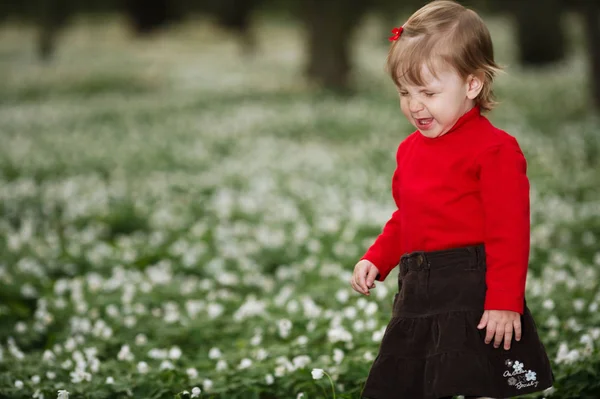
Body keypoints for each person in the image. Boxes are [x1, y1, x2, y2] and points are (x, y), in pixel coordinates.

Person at [349, 1, 555, 398]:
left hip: (470, 293)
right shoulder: (409, 149)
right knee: (408, 384)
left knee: (465, 382)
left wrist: (503, 301)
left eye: (428, 91)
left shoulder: (494, 149)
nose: (414, 104)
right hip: (417, 291)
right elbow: (406, 216)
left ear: (472, 84)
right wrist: (376, 257)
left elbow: (508, 233)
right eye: (405, 92)